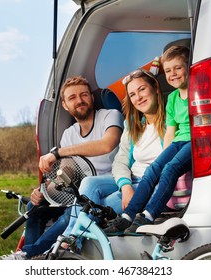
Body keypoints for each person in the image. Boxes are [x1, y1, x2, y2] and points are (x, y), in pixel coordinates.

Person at [0, 75, 123, 260]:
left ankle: (28, 255)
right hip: (80, 191)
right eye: (72, 98)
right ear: (64, 105)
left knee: (72, 212)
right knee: (34, 206)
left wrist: (58, 152)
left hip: (107, 187)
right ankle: (30, 258)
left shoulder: (110, 116)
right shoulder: (69, 134)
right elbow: (67, 171)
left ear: (91, 98)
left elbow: (106, 145)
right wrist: (45, 190)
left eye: (84, 95)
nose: (79, 100)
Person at [60, 67, 166, 251]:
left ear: (155, 89)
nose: (138, 97)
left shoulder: (169, 123)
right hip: (131, 180)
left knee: (93, 208)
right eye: (132, 94)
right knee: (89, 184)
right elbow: (120, 161)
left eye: (142, 90)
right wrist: (125, 186)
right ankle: (72, 239)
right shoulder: (133, 125)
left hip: (151, 185)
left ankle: (71, 242)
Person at [104, 45, 192, 235]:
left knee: (170, 168)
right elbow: (171, 132)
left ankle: (149, 215)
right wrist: (162, 158)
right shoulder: (174, 99)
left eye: (178, 68)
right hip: (178, 141)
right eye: (168, 70)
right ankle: (128, 216)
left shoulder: (196, 92)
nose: (173, 74)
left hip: (192, 141)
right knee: (156, 168)